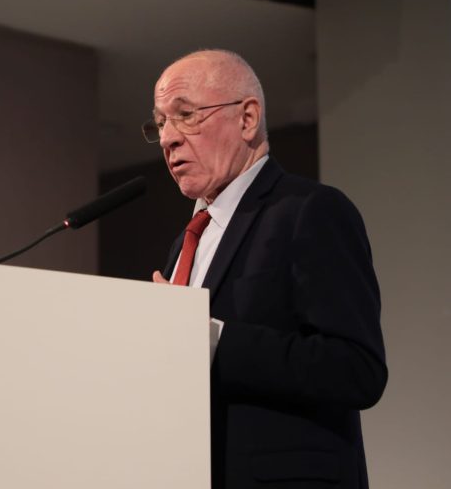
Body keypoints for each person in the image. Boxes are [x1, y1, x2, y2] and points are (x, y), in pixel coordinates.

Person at [146, 50, 387, 489]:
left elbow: (357, 369)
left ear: (247, 119)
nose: (168, 139)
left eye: (185, 115)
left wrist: (213, 339)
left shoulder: (310, 211)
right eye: (161, 123)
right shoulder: (185, 243)